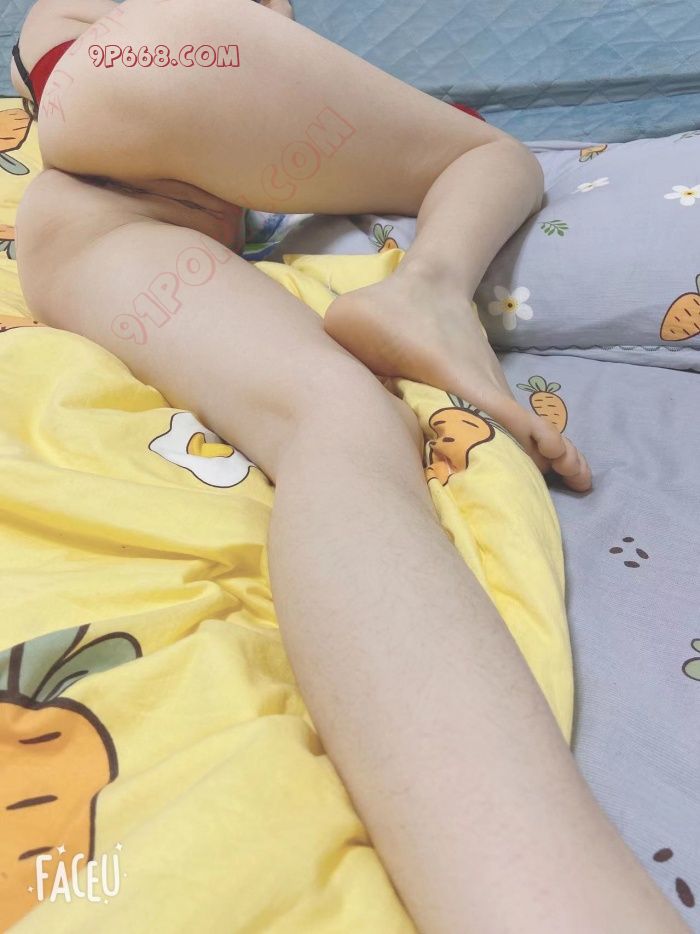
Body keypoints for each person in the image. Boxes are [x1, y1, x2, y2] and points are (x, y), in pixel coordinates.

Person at [8, 1, 688, 932]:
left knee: (336, 422)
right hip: (145, 73)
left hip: (67, 221)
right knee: (493, 156)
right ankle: (430, 289)